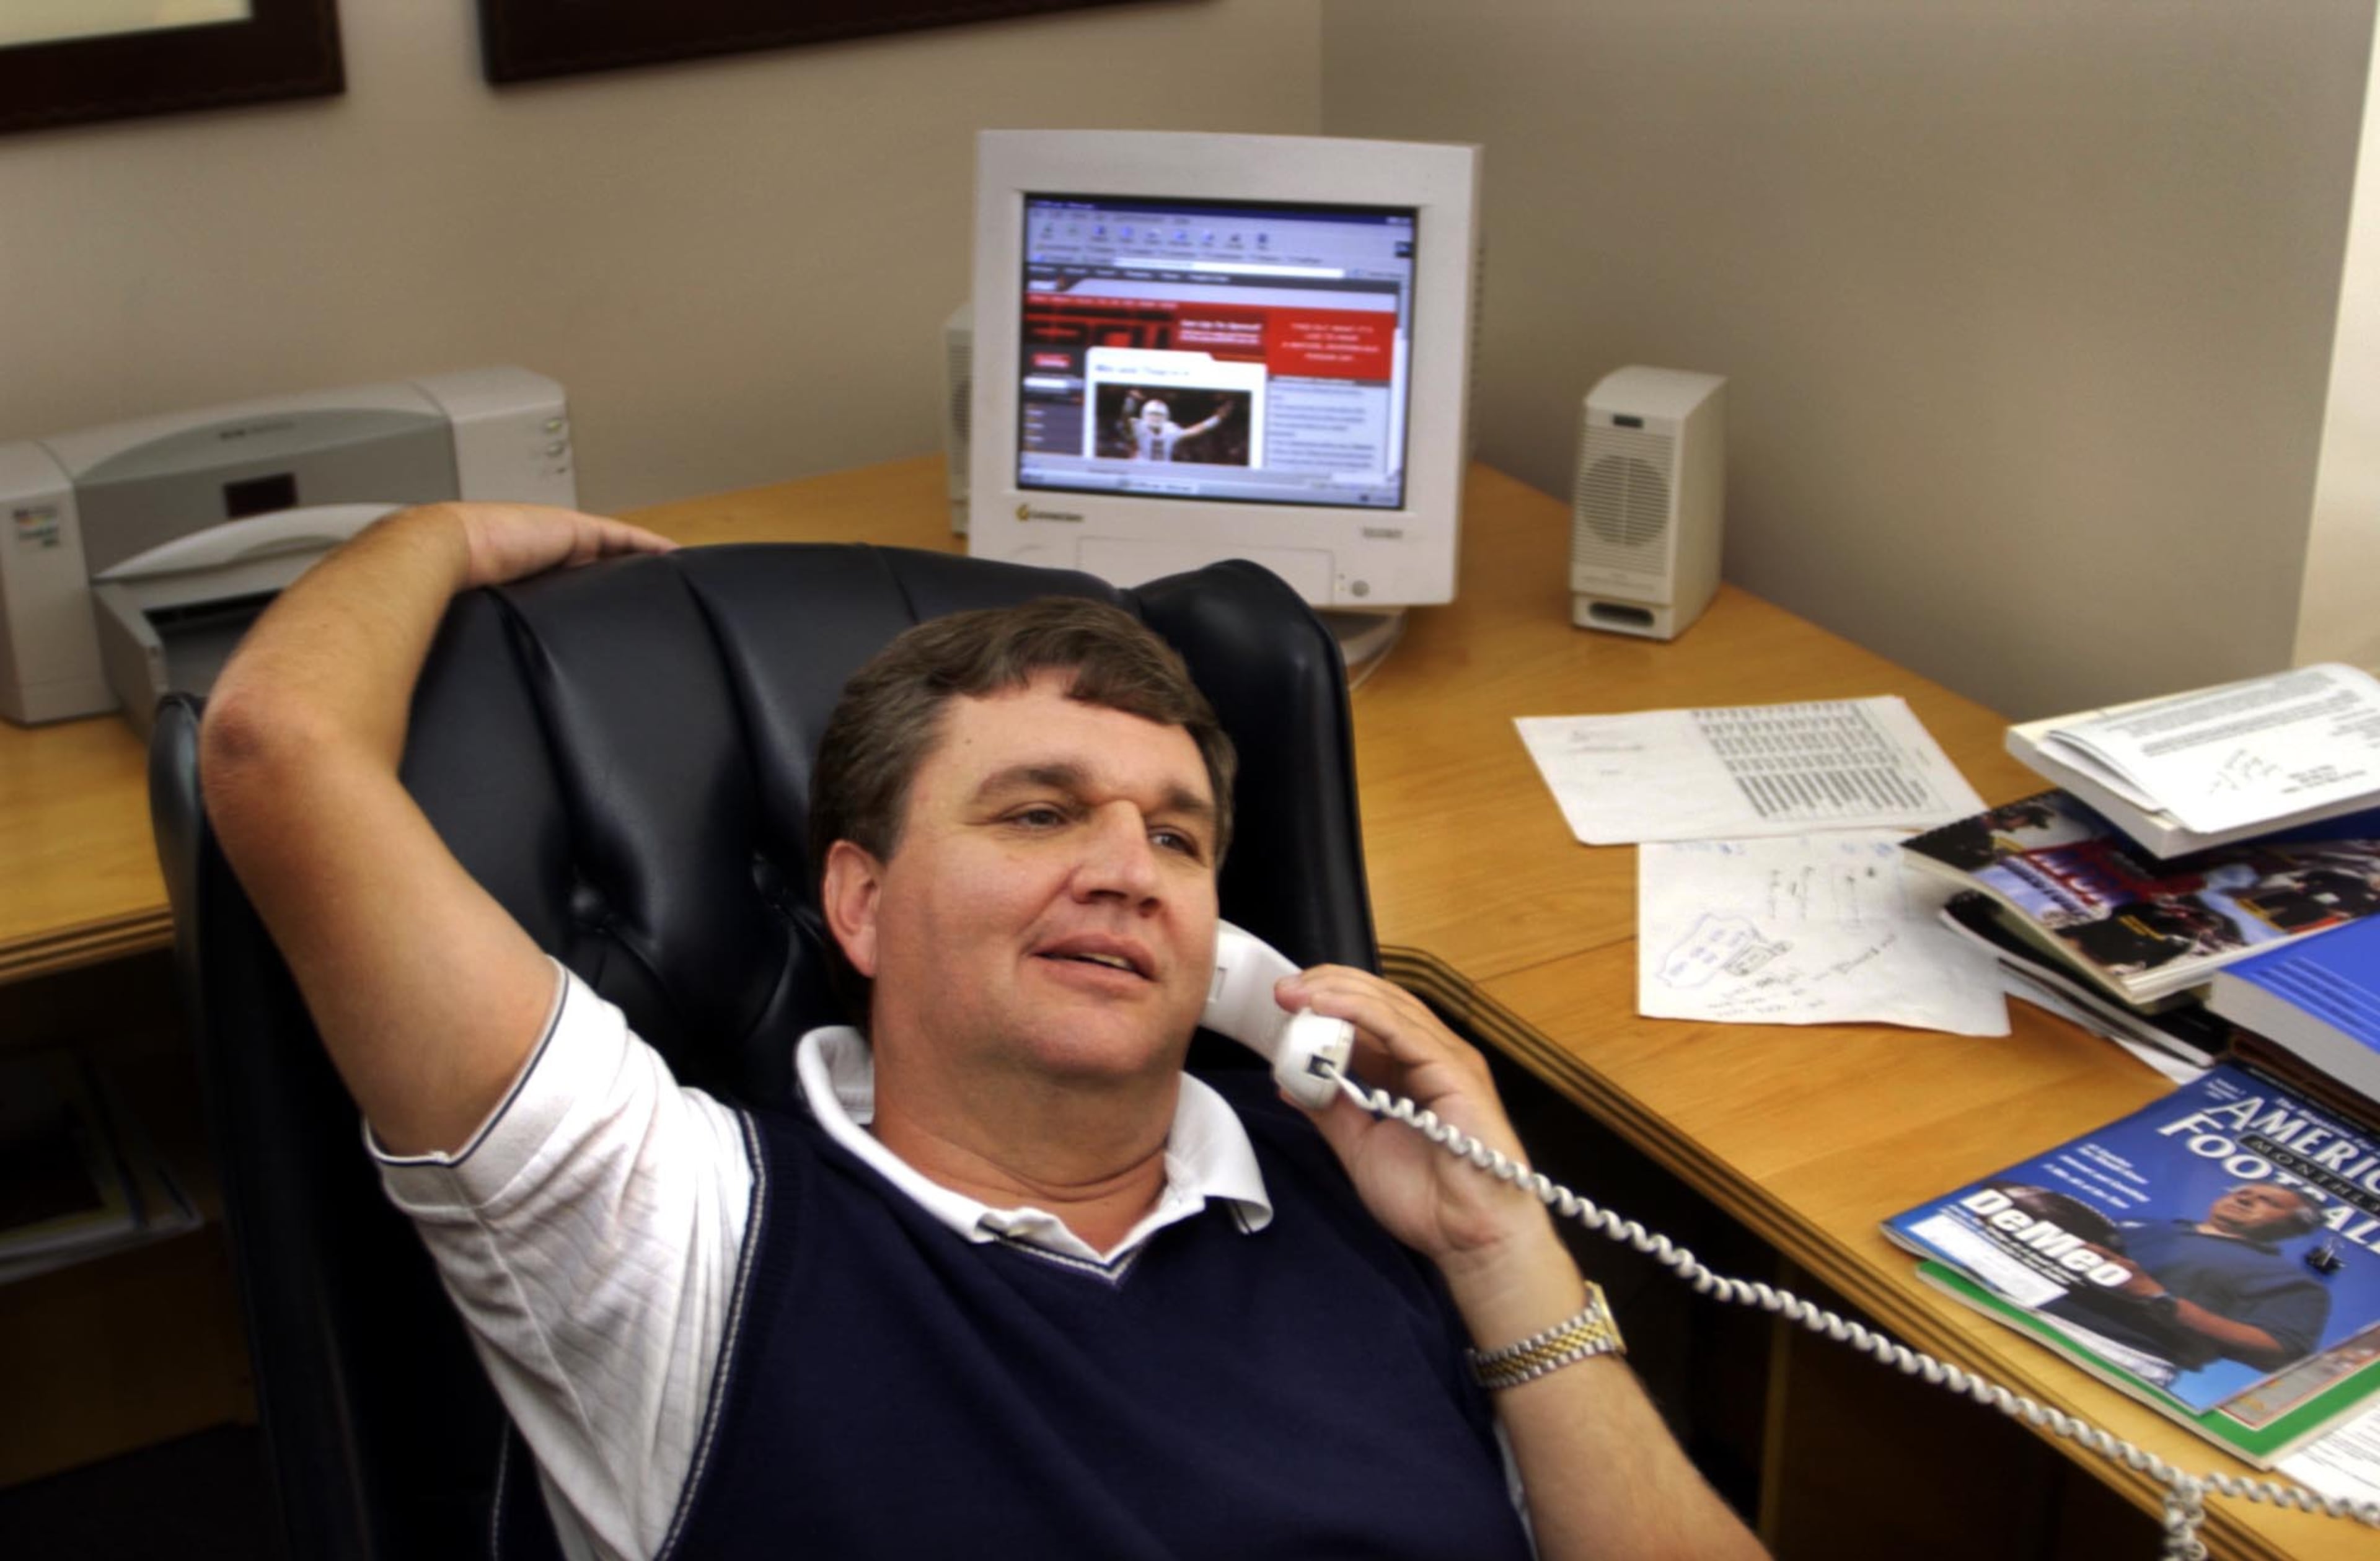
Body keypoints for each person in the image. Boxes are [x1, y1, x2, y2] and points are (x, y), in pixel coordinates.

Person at [199, 500, 1765, 1560]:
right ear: (861, 903)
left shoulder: (1370, 1199)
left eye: (1174, 836)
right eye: (1037, 811)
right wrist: (452, 532)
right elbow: (278, 746)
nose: (1121, 868)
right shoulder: (675, 1230)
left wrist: (1503, 1250)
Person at [2044, 1181, 2332, 1377]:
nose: (2244, 1198)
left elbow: (2281, 1349)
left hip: (2118, 1352)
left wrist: (2156, 1297)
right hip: (2034, 1308)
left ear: (2294, 1226)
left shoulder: (2288, 1280)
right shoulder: (2145, 1224)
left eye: (2267, 1202)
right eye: (2241, 1192)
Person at [1122, 392, 1231, 461]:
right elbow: (1125, 417)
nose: (1155, 418)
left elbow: (1194, 431)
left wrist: (1216, 419)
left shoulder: (1170, 430)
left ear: (1166, 416)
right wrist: (1130, 401)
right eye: (1152, 414)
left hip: (1165, 473)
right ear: (1145, 414)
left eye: (1159, 415)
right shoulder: (1138, 426)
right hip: (1141, 471)